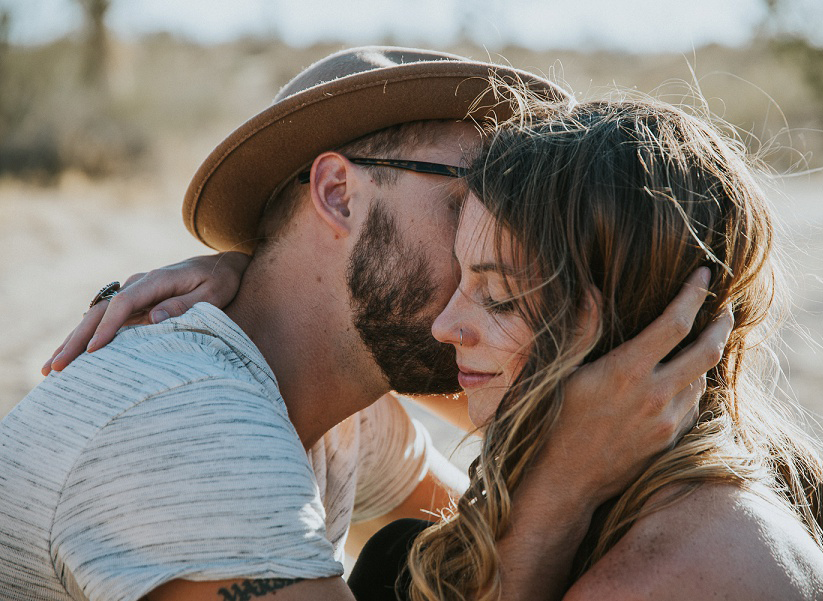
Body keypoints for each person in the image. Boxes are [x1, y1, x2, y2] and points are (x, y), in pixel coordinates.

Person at [0, 48, 727, 601]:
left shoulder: (345, 414)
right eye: (470, 203)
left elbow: (477, 524)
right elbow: (528, 529)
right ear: (340, 195)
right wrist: (561, 490)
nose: (505, 247)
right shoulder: (194, 420)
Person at [349, 97, 823, 601]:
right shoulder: (716, 489)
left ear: (642, 330)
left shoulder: (651, 578)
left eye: (501, 299)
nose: (445, 326)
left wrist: (559, 492)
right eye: (460, 280)